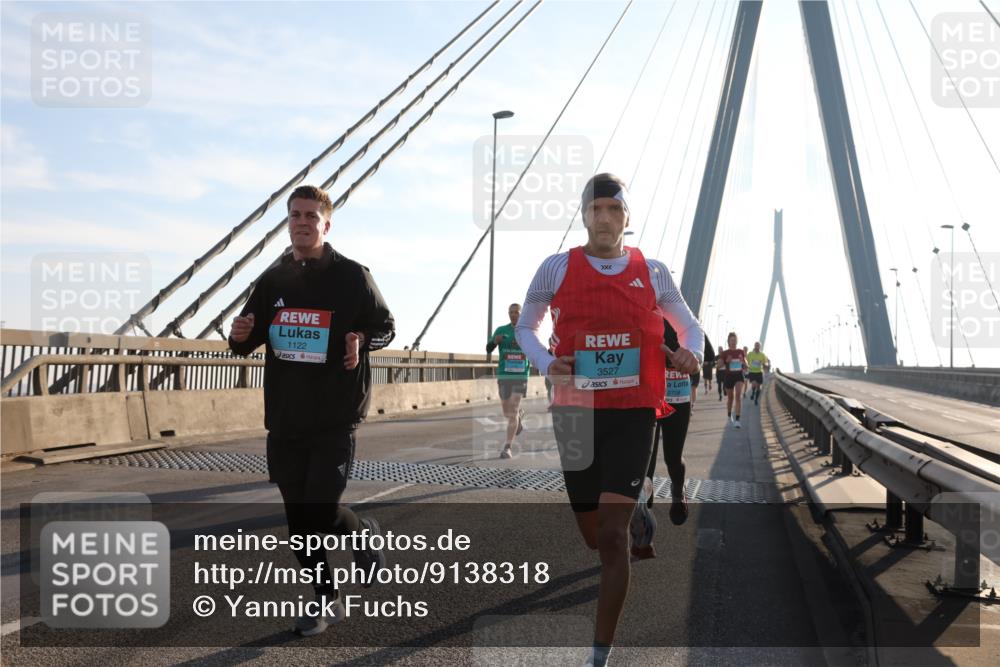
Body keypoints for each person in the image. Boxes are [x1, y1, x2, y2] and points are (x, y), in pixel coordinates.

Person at [516, 173, 703, 667]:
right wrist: (543, 361)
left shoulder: (654, 271)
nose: (604, 217)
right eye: (595, 209)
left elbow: (689, 325)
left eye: (613, 209)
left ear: (627, 217)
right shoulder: (556, 268)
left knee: (611, 538)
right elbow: (526, 326)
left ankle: (599, 652)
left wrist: (691, 353)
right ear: (584, 216)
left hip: (633, 412)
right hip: (575, 413)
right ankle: (641, 510)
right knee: (591, 533)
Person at [229, 185, 395, 636]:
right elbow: (244, 341)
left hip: (335, 414)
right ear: (289, 222)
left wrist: (361, 339)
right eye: (295, 215)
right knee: (299, 521)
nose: (302, 222)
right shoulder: (273, 279)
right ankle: (326, 600)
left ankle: (362, 532)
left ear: (327, 223)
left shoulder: (353, 277)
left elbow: (385, 328)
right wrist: (240, 332)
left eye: (310, 216)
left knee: (320, 511)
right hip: (285, 416)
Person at [643, 323, 715, 533]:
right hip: (651, 397)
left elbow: (706, 356)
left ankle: (678, 490)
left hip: (678, 398)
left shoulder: (687, 323)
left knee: (672, 457)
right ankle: (644, 516)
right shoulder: (643, 314)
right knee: (646, 461)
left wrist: (692, 362)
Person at [486, 303, 530, 458]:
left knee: (512, 411)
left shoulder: (526, 330)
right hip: (504, 375)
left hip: (520, 375)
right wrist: (495, 342)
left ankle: (507, 447)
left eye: (516, 312)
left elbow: (535, 349)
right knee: (507, 411)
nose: (513, 315)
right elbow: (488, 349)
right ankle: (519, 417)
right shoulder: (501, 330)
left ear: (521, 313)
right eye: (510, 312)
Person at [718, 333, 747, 428]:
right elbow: (718, 366)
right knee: (731, 397)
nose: (733, 342)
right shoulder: (725, 353)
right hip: (729, 376)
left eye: (735, 340)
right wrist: (727, 361)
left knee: (738, 395)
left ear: (737, 341)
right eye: (731, 340)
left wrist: (744, 362)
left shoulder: (740, 351)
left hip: (739, 375)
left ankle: (738, 420)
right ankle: (729, 415)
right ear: (728, 342)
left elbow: (746, 364)